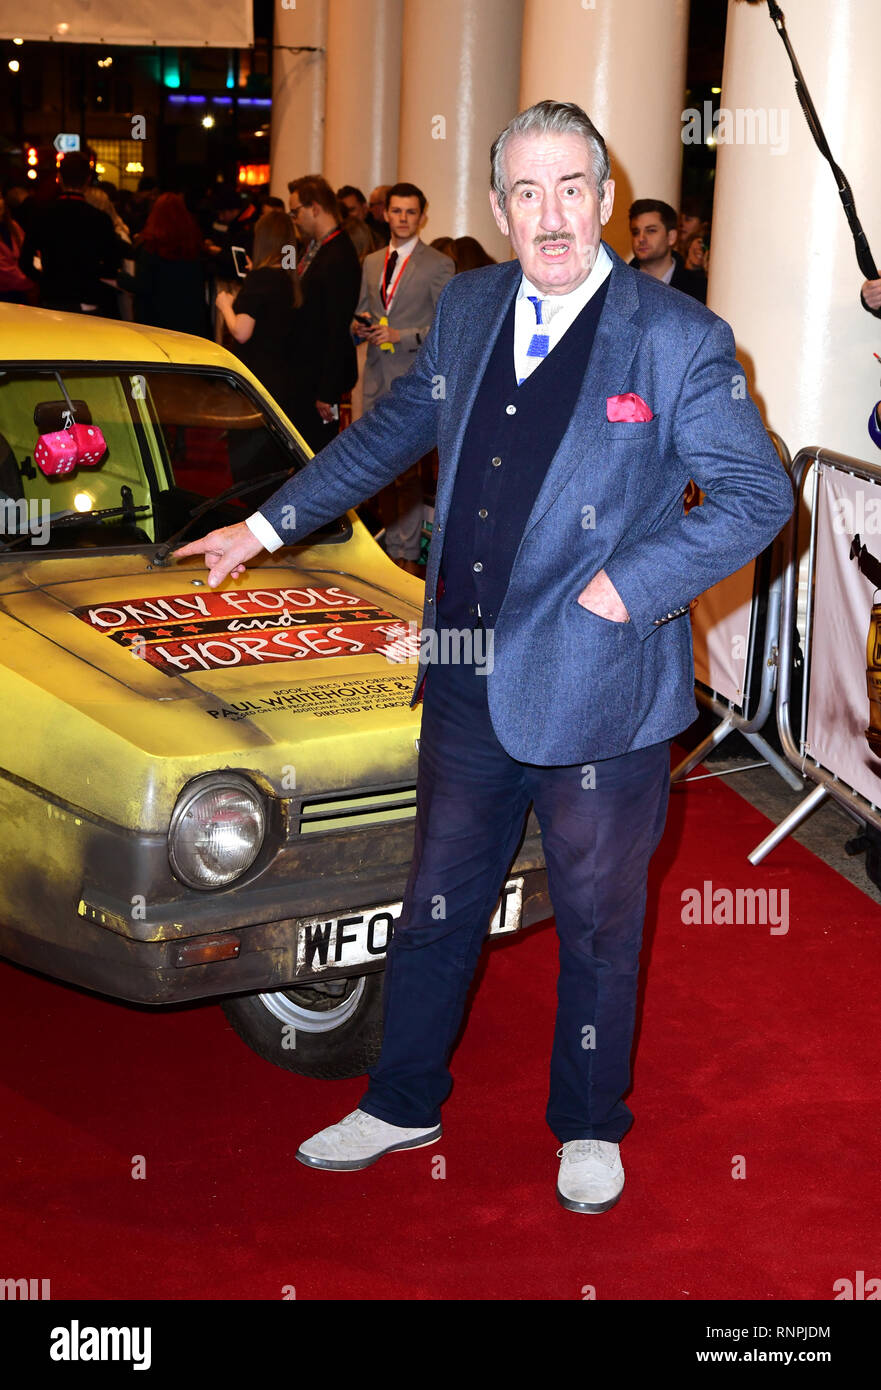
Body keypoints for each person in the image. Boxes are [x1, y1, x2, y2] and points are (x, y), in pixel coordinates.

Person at [173, 99, 793, 1215]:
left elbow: (756, 494)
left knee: (601, 924)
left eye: (571, 189)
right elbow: (389, 433)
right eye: (525, 191)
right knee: (436, 903)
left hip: (601, 693)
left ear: (604, 200)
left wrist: (628, 588)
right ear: (499, 207)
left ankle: (591, 1121)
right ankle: (402, 1098)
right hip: (461, 667)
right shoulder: (465, 308)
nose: (549, 215)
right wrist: (266, 526)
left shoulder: (672, 337)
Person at [353, 182, 454, 572]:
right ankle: (390, 546)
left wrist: (402, 335)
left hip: (413, 379)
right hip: (375, 377)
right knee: (377, 470)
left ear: (422, 216)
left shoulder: (438, 264)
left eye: (411, 212)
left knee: (406, 473)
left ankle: (408, 556)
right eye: (396, 211)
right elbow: (363, 309)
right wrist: (360, 326)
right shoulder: (371, 261)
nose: (403, 219)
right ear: (385, 214)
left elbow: (447, 328)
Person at [286, 174, 362, 452]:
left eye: (296, 211)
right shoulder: (319, 248)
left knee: (314, 457)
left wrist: (327, 392)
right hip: (307, 374)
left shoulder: (339, 254)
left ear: (315, 208)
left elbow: (337, 327)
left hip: (319, 380)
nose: (293, 218)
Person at [215, 208, 303, 428]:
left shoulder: (260, 279)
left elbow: (242, 332)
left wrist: (225, 305)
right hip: (283, 375)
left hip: (256, 377)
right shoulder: (289, 279)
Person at [18, 152, 120, 315]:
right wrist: (91, 276)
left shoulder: (42, 215)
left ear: (59, 178)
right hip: (87, 300)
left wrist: (45, 280)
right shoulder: (100, 219)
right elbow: (113, 263)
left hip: (51, 299)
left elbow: (24, 261)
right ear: (87, 180)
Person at [125, 192, 209, 337]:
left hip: (156, 324)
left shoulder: (151, 247)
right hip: (189, 321)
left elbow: (143, 286)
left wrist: (121, 277)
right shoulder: (193, 246)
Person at [628, 198, 707, 303]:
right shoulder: (618, 286)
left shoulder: (697, 289)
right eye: (636, 232)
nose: (641, 239)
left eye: (651, 231)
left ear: (671, 237)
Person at [0, 191, 36, 304]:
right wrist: (35, 278)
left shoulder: (13, 226)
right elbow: (5, 272)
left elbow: (30, 251)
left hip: (21, 297)